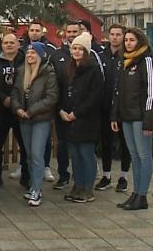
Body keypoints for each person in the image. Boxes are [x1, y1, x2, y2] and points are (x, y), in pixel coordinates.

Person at [111, 28, 153, 211]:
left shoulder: (146, 61)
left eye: (132, 40)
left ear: (140, 42)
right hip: (126, 117)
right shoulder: (125, 62)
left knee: (144, 155)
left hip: (140, 118)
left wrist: (148, 121)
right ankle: (136, 192)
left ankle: (142, 195)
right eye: (127, 40)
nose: (128, 43)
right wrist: (115, 115)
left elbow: (151, 93)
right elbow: (118, 92)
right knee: (134, 156)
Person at [11, 42, 58, 207]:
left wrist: (31, 111)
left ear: (40, 55)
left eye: (33, 53)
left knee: (37, 155)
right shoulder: (21, 71)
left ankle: (37, 190)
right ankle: (33, 186)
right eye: (28, 53)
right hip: (24, 119)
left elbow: (51, 97)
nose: (30, 56)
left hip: (40, 119)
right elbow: (16, 92)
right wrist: (17, 108)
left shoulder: (48, 73)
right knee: (29, 155)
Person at [58, 33, 104, 203]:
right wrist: (62, 110)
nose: (76, 52)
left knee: (86, 154)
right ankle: (77, 185)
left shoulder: (93, 71)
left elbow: (94, 97)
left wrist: (77, 113)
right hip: (69, 120)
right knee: (75, 155)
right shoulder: (69, 70)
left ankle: (87, 188)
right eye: (74, 48)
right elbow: (64, 92)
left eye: (80, 49)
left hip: (87, 120)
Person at [96, 24, 132, 192]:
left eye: (119, 34)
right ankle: (107, 175)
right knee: (106, 143)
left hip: (123, 108)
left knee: (126, 144)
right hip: (104, 107)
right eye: (113, 34)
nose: (115, 37)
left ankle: (124, 176)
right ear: (108, 36)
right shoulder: (101, 55)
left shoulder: (128, 56)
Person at [47, 20, 81, 188]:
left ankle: (79, 177)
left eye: (75, 32)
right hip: (61, 108)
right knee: (62, 145)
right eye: (70, 32)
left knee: (78, 145)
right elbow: (52, 84)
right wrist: (59, 108)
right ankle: (63, 175)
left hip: (80, 110)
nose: (72, 35)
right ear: (65, 33)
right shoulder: (56, 55)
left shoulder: (88, 54)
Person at [0, 33, 29, 190]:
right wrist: (3, 98)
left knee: (26, 146)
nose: (8, 45)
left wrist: (17, 103)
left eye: (12, 42)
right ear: (2, 45)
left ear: (18, 44)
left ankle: (27, 179)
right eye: (6, 43)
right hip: (2, 109)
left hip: (21, 110)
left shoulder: (26, 60)